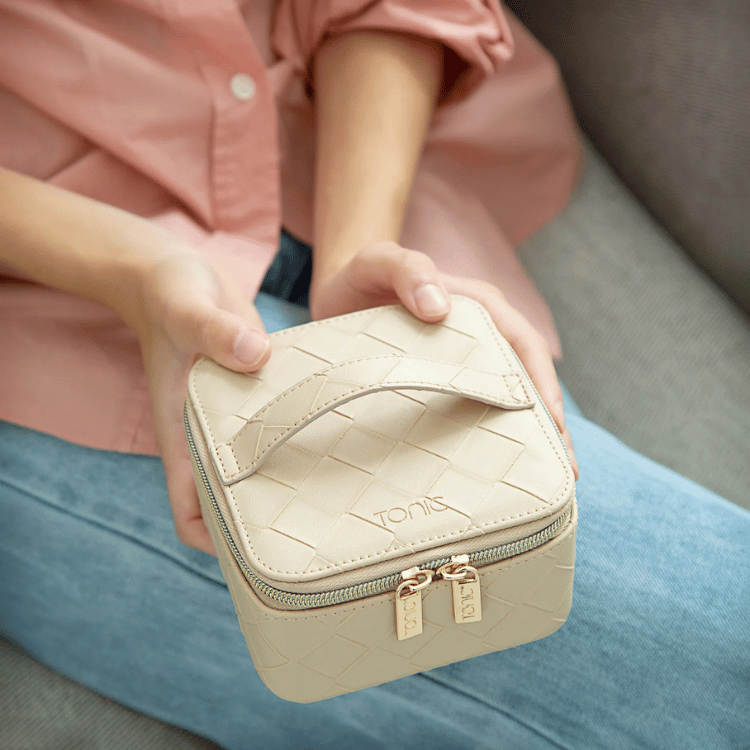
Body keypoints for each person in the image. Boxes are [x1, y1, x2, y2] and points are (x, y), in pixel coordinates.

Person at [0, 3, 747, 749]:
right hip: (52, 312)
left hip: (333, 166)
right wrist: (136, 269)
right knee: (707, 647)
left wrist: (358, 243)